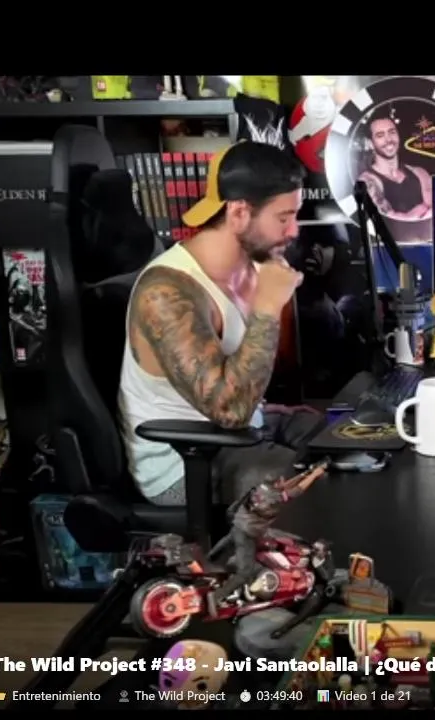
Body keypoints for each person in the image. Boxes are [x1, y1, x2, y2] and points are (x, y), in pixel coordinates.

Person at [118, 141, 326, 506]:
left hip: (241, 431)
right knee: (319, 487)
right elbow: (230, 411)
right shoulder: (166, 292)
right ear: (239, 213)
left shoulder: (253, 265)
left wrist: (268, 411)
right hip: (184, 465)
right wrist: (266, 308)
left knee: (343, 442)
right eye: (283, 218)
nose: (294, 230)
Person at [357, 114, 432, 221]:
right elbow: (387, 220)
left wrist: (404, 216)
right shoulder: (367, 181)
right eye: (380, 135)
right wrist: (413, 215)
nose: (388, 139)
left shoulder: (420, 173)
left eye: (392, 132)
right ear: (370, 144)